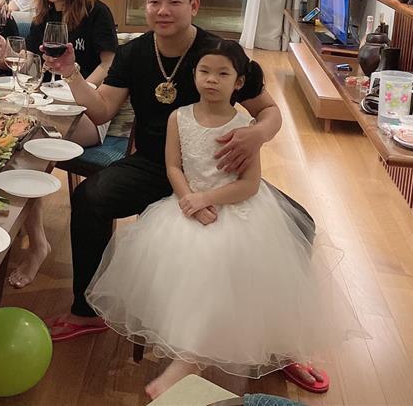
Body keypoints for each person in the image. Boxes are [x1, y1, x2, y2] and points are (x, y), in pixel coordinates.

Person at [40, 0, 329, 392]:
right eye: (153, 1)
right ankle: (86, 311)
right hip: (155, 164)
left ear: (194, 5)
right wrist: (70, 73)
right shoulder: (134, 53)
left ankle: (278, 345)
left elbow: (269, 111)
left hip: (215, 172)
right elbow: (100, 111)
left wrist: (256, 135)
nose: (162, 10)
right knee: (90, 198)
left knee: (299, 224)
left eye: (174, 1)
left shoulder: (219, 53)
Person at [86, 40, 363, 399]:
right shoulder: (178, 117)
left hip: (238, 208)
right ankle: (188, 360)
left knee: (228, 263)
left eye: (222, 74)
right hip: (187, 206)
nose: (211, 80)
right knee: (196, 268)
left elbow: (249, 184)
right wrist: (189, 200)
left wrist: (206, 199)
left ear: (239, 82)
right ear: (193, 75)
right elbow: (173, 166)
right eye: (204, 72)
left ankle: (193, 363)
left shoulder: (244, 124)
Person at [0, 0, 118, 289]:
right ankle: (30, 234)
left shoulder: (96, 13)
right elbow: (32, 66)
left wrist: (81, 87)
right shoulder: (42, 17)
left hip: (90, 111)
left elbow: (109, 63)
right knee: (15, 143)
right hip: (50, 105)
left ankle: (36, 245)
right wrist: (9, 54)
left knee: (27, 145)